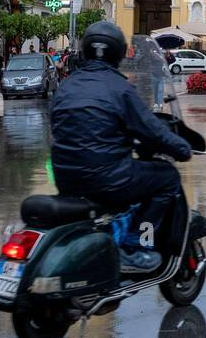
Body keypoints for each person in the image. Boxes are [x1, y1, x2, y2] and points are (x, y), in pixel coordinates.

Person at [49, 22, 192, 274]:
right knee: (167, 179)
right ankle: (134, 245)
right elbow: (152, 130)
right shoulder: (120, 88)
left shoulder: (67, 86)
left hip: (66, 178)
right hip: (107, 178)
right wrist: (182, 147)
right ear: (119, 53)